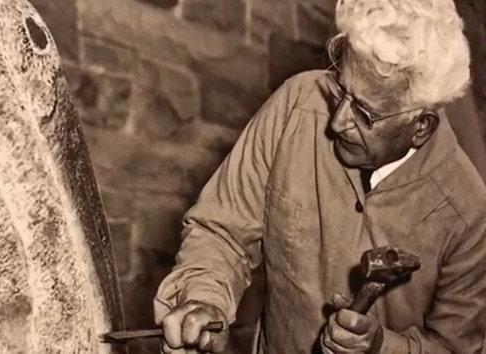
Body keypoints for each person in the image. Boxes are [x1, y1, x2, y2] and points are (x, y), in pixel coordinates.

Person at [154, 0, 486, 353]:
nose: (337, 121)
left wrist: (380, 346)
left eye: (363, 113)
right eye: (340, 90)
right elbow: (222, 232)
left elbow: (456, 347)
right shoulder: (294, 107)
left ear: (421, 126)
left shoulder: (469, 214)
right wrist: (205, 298)